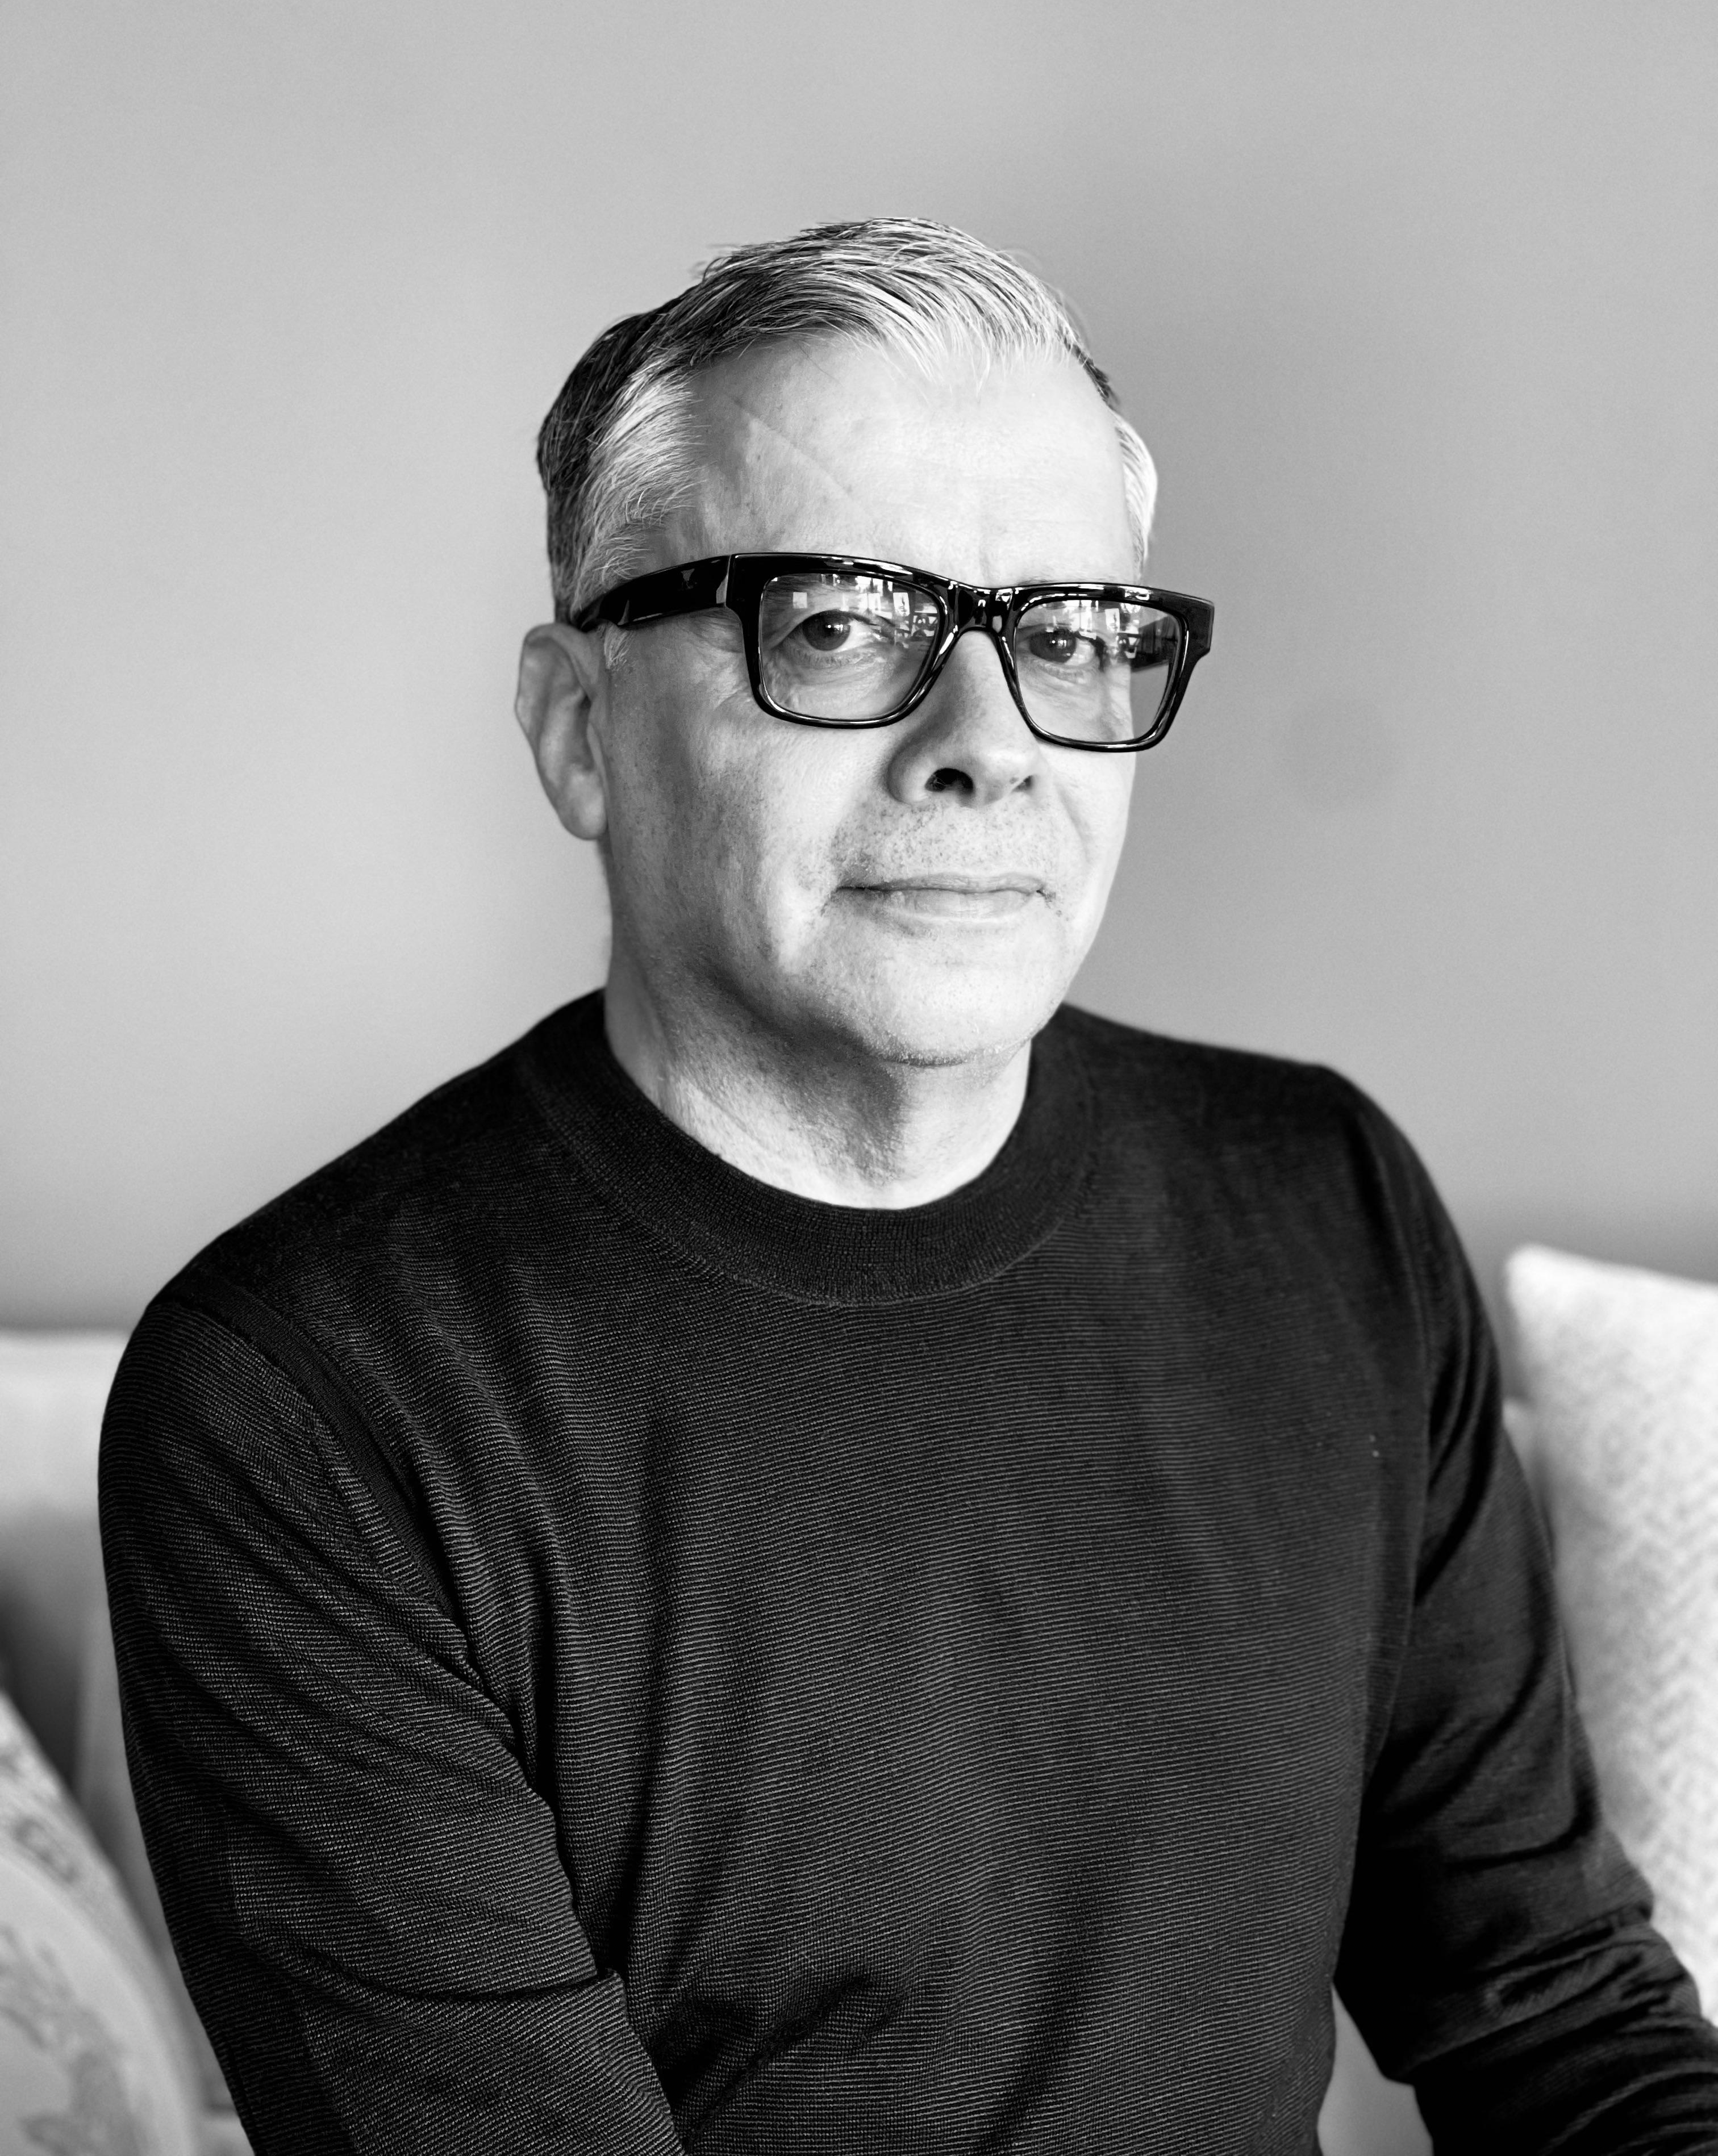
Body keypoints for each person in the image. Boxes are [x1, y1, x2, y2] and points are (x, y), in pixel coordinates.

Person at [99, 218, 1718, 2155]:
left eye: (1071, 636)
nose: (991, 749)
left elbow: (1560, 2014)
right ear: (580, 731)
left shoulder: (1321, 1203)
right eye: (838, 624)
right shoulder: (309, 1402)